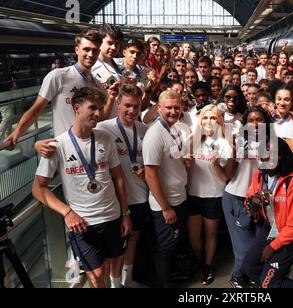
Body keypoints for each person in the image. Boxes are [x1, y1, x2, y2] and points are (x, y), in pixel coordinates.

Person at [32, 87, 132, 288]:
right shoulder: (57, 145)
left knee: (113, 261)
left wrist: (125, 213)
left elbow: (118, 178)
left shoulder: (105, 138)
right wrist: (67, 212)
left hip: (112, 216)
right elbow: (38, 189)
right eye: (92, 108)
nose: (97, 113)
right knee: (97, 273)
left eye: (100, 108)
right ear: (77, 108)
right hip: (83, 222)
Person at [4, 29, 111, 144]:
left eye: (94, 50)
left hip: (90, 146)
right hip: (64, 148)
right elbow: (37, 109)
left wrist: (111, 97)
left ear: (98, 52)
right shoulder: (58, 76)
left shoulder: (96, 83)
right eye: (86, 49)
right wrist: (17, 132)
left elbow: (99, 117)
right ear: (77, 50)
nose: (90, 54)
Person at [96, 84, 149, 288]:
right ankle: (115, 284)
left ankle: (127, 281)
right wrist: (44, 145)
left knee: (133, 239)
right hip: (116, 200)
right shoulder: (103, 127)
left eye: (136, 107)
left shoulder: (144, 130)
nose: (132, 111)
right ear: (118, 103)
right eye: (127, 105)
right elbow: (76, 136)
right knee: (116, 247)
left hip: (140, 196)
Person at [241, 137, 293, 288]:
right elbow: (248, 201)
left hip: (289, 238)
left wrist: (272, 247)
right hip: (269, 230)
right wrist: (254, 203)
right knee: (249, 267)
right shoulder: (260, 175)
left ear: (282, 156)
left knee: (267, 283)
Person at [142, 89, 191, 288]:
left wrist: (184, 161)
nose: (172, 111)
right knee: (165, 246)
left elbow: (172, 155)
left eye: (176, 107)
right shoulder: (154, 134)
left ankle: (170, 274)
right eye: (168, 108)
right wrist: (165, 207)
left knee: (173, 244)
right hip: (166, 203)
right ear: (159, 108)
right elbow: (150, 173)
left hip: (179, 197)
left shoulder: (175, 128)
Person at [222, 106, 272, 288]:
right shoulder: (237, 142)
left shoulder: (272, 143)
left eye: (259, 120)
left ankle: (248, 275)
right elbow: (227, 175)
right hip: (236, 198)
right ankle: (236, 277)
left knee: (257, 248)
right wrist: (233, 152)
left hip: (260, 203)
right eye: (251, 120)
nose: (255, 124)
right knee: (243, 249)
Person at [187, 105, 232, 285]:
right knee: (193, 235)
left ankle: (208, 265)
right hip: (193, 193)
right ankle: (199, 258)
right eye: (205, 118)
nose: (209, 122)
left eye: (213, 118)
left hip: (213, 195)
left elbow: (225, 177)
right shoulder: (193, 140)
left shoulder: (224, 144)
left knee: (211, 233)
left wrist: (216, 164)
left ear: (219, 121)